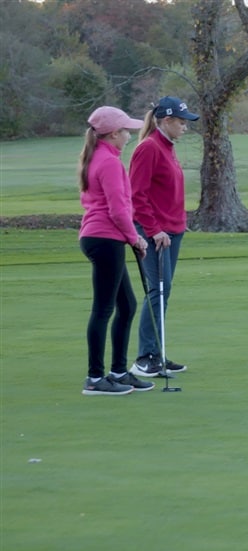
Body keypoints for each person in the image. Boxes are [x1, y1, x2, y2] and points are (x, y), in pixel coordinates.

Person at [78, 106, 154, 395]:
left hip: (102, 238)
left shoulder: (100, 156)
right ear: (112, 134)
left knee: (127, 306)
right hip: (105, 238)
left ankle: (119, 372)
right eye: (125, 132)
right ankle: (95, 379)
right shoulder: (109, 163)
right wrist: (135, 238)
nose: (129, 136)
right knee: (104, 309)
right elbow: (118, 209)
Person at [129, 96, 199, 378]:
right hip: (154, 232)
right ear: (167, 121)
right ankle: (145, 358)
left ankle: (157, 353)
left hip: (173, 230)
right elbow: (137, 195)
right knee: (157, 291)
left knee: (163, 291)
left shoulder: (167, 147)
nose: (185, 127)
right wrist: (154, 229)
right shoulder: (149, 149)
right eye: (181, 122)